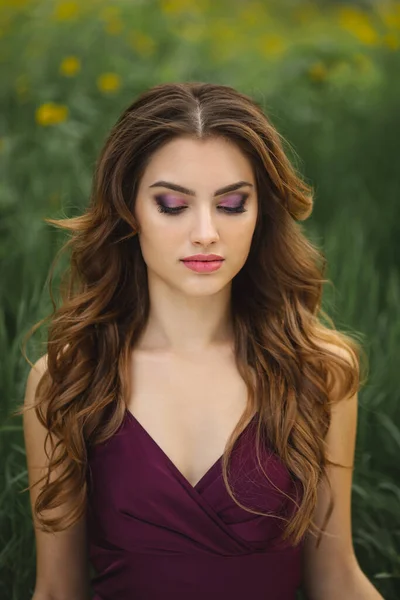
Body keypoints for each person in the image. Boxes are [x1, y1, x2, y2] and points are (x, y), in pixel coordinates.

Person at [17, 82, 383, 599]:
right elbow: (56, 591)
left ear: (262, 214)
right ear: (129, 210)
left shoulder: (319, 371)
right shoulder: (67, 378)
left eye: (233, 204)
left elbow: (338, 579)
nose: (206, 231)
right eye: (172, 204)